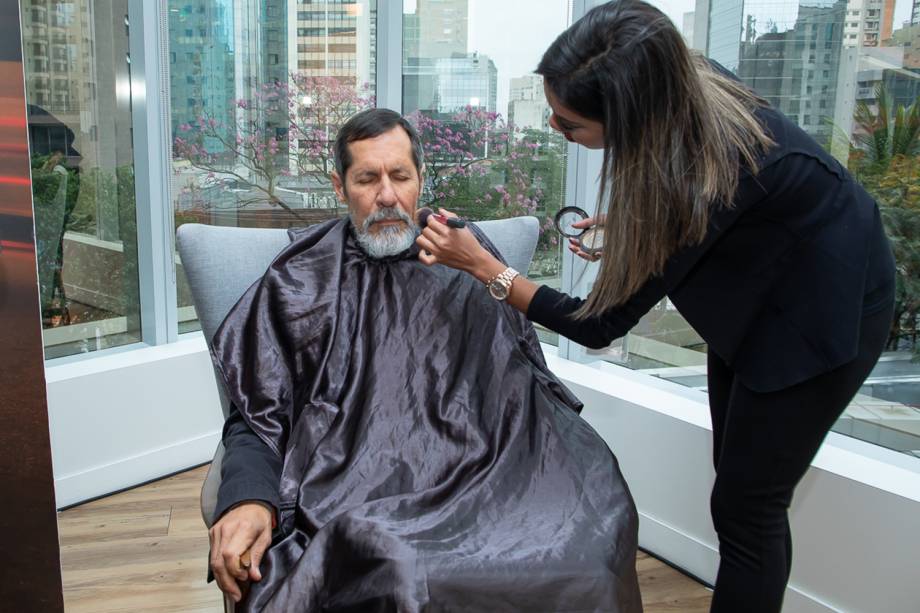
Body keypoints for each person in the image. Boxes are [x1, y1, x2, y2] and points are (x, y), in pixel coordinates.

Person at [415, 2, 897, 612]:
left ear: (632, 119)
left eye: (568, 125)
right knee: (738, 476)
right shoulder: (686, 94)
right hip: (762, 288)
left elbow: (597, 325)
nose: (557, 132)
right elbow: (722, 213)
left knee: (747, 509)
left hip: (824, 313)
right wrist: (631, 224)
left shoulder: (697, 183)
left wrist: (485, 267)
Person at [207, 108, 642, 612]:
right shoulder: (299, 281)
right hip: (354, 495)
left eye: (401, 176)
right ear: (339, 185)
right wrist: (246, 496)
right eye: (367, 178)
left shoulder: (468, 258)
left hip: (492, 475)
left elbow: (518, 385)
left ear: (420, 180)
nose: (387, 195)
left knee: (589, 546)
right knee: (393, 565)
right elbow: (256, 412)